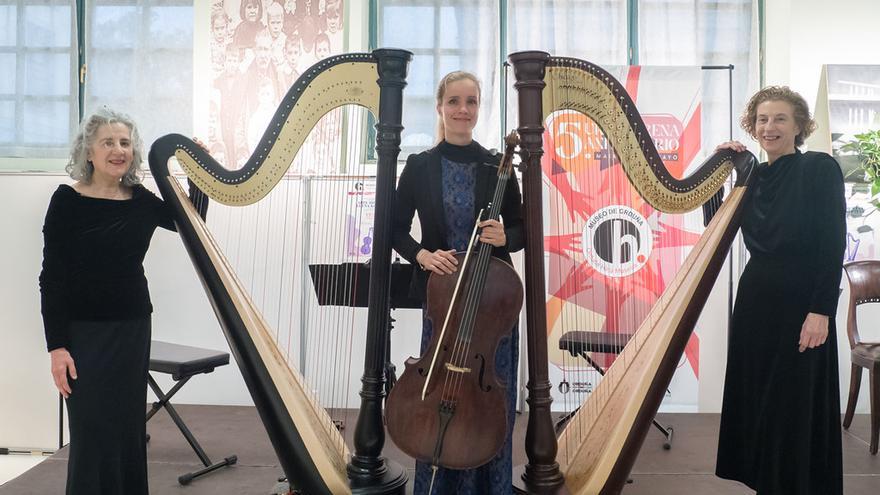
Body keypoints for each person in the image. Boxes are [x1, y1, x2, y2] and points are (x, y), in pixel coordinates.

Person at [392, 71, 524, 495]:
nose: (462, 109)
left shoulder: (496, 165)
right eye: (454, 101)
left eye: (470, 101)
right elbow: (393, 229)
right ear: (439, 107)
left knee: (489, 403)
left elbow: (522, 228)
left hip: (492, 308)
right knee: (438, 397)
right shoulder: (419, 166)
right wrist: (422, 254)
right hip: (443, 301)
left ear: (478, 107)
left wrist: (507, 236)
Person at [714, 86, 845, 495]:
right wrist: (721, 173)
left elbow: (832, 242)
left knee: (795, 403)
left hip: (802, 301)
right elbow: (716, 231)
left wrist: (821, 310)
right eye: (762, 119)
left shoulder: (820, 169)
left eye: (780, 119)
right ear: (752, 127)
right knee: (761, 401)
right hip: (756, 301)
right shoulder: (751, 177)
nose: (769, 127)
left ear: (800, 126)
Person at [40, 108, 176, 494]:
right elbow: (51, 278)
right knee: (91, 432)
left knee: (127, 430)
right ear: (88, 152)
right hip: (82, 336)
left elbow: (190, 220)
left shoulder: (140, 199)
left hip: (132, 327)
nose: (118, 150)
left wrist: (195, 172)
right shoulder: (66, 200)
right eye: (108, 142)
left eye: (125, 142)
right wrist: (57, 347)